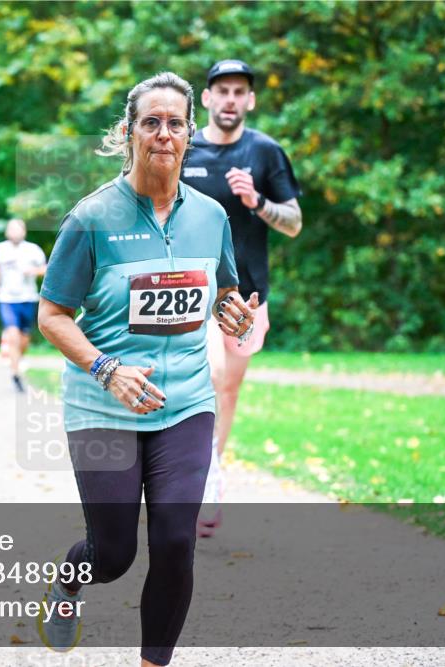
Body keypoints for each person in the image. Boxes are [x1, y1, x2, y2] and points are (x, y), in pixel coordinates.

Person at [36, 72, 256, 666]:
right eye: (151, 122)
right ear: (129, 133)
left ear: (190, 135)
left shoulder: (211, 217)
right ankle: (69, 583)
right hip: (102, 406)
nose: (164, 133)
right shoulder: (92, 218)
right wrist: (106, 368)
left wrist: (231, 313)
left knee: (176, 541)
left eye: (176, 123)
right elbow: (52, 315)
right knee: (113, 554)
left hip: (185, 402)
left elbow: (223, 290)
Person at [180, 59, 303, 537]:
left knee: (226, 389)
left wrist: (257, 203)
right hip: (189, 291)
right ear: (207, 99)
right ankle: (200, 479)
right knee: (206, 378)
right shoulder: (185, 147)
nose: (231, 99)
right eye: (222, 91)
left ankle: (211, 474)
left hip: (247, 297)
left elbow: (293, 223)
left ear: (250, 100)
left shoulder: (266, 153)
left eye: (240, 92)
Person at [0, 218, 47, 392]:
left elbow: (46, 268)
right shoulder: (0, 249)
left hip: (28, 298)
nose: (14, 232)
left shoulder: (33, 250)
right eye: (11, 229)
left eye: (18, 229)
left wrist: (34, 271)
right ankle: (15, 374)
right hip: (7, 298)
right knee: (12, 335)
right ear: (7, 232)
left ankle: (16, 359)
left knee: (24, 339)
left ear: (24, 231)